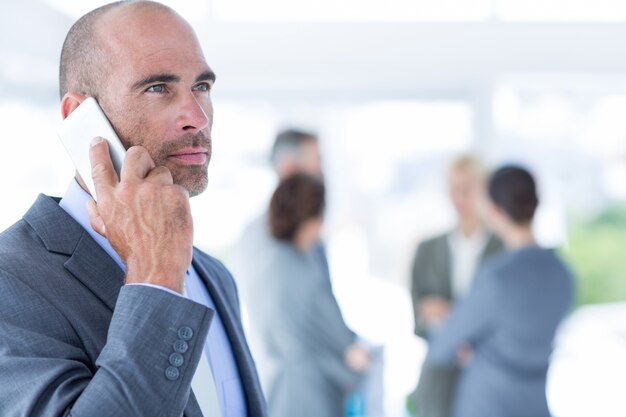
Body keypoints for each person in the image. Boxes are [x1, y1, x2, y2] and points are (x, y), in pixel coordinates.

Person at [0, 2, 266, 416]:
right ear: (79, 116)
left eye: (202, 87)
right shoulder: (9, 279)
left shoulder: (214, 275)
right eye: (158, 88)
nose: (197, 118)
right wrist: (156, 277)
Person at [425, 165, 575, 417]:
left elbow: (442, 348)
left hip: (487, 405)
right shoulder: (563, 275)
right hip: (535, 406)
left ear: (494, 211)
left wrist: (449, 326)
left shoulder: (496, 278)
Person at [244, 173, 369, 417]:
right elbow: (344, 345)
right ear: (312, 220)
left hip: (279, 392)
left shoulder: (266, 265)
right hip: (311, 396)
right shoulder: (304, 275)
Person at [410, 155, 503, 417]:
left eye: (466, 189)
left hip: (487, 379)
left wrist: (454, 317)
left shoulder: (503, 250)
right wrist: (432, 316)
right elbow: (417, 320)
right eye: (452, 189)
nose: (458, 198)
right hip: (438, 381)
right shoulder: (427, 250)